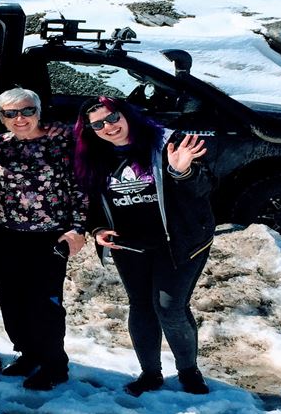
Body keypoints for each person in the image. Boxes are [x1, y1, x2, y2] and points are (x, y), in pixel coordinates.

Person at [73, 95, 215, 396]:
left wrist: (181, 171)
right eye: (98, 124)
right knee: (140, 306)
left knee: (169, 306)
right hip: (130, 245)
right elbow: (91, 204)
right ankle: (150, 374)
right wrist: (97, 229)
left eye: (113, 118)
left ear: (126, 114)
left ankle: (189, 372)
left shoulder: (167, 143)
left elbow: (204, 188)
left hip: (179, 241)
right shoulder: (93, 157)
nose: (109, 127)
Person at [0, 88, 87, 390]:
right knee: (11, 299)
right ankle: (28, 353)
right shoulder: (0, 146)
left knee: (44, 302)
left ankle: (54, 364)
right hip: (7, 233)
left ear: (38, 111)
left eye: (27, 111)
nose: (19, 118)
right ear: (1, 117)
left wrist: (78, 227)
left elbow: (80, 186)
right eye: (10, 113)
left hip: (50, 236)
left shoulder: (63, 140)